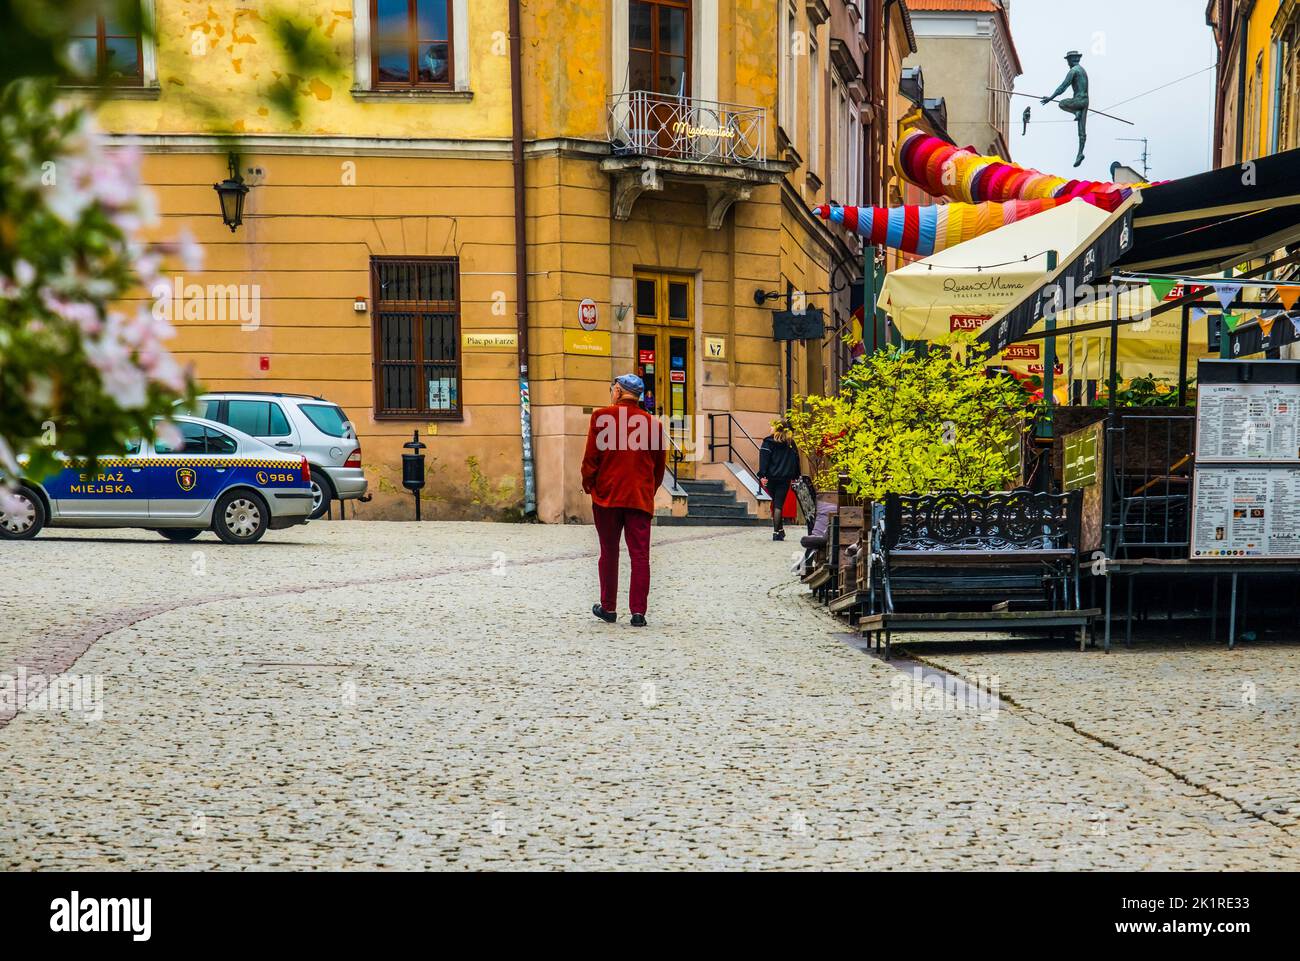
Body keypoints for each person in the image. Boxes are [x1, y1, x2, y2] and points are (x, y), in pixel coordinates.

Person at [581, 373, 666, 626]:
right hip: (638, 497)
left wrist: (589, 485)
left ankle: (608, 607)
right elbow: (659, 467)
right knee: (640, 555)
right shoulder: (653, 425)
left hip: (607, 496)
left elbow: (590, 459)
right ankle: (638, 613)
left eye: (613, 389)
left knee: (609, 552)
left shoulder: (601, 417)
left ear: (617, 391)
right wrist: (647, 490)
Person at [758, 420, 800, 541]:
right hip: (785, 478)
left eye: (772, 426)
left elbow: (764, 460)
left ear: (777, 429)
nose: (770, 427)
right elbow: (796, 461)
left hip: (771, 478)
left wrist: (762, 475)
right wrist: (796, 476)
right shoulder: (791, 444)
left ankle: (778, 531)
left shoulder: (767, 442)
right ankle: (778, 531)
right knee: (778, 504)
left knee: (776, 504)